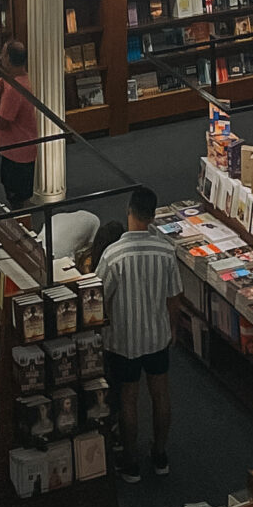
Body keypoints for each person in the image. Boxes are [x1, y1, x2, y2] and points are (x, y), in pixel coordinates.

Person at [98, 186, 185, 482]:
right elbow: (174, 297)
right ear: (153, 215)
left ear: (129, 209)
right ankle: (160, 455)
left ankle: (131, 462)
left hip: (123, 340)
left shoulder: (113, 255)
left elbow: (99, 298)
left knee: (129, 399)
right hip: (157, 336)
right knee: (161, 395)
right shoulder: (166, 251)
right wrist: (172, 328)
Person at [0, 41, 38, 211]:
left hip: (16, 151)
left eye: (3, 55)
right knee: (17, 195)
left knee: (16, 199)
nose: (0, 58)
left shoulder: (14, 88)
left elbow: (2, 121)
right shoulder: (20, 78)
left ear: (9, 59)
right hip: (19, 149)